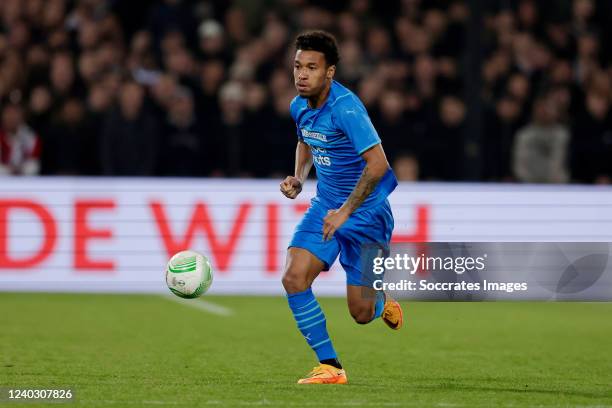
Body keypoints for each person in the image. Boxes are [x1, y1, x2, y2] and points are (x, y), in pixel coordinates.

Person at [279, 31, 403, 385]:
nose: (302, 74)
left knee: (361, 314)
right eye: (298, 66)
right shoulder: (298, 105)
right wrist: (300, 177)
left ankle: (378, 300)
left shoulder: (347, 109)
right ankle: (331, 367)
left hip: (366, 215)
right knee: (293, 277)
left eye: (312, 68)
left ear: (329, 72)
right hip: (326, 207)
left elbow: (378, 165)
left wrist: (347, 211)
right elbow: (305, 141)